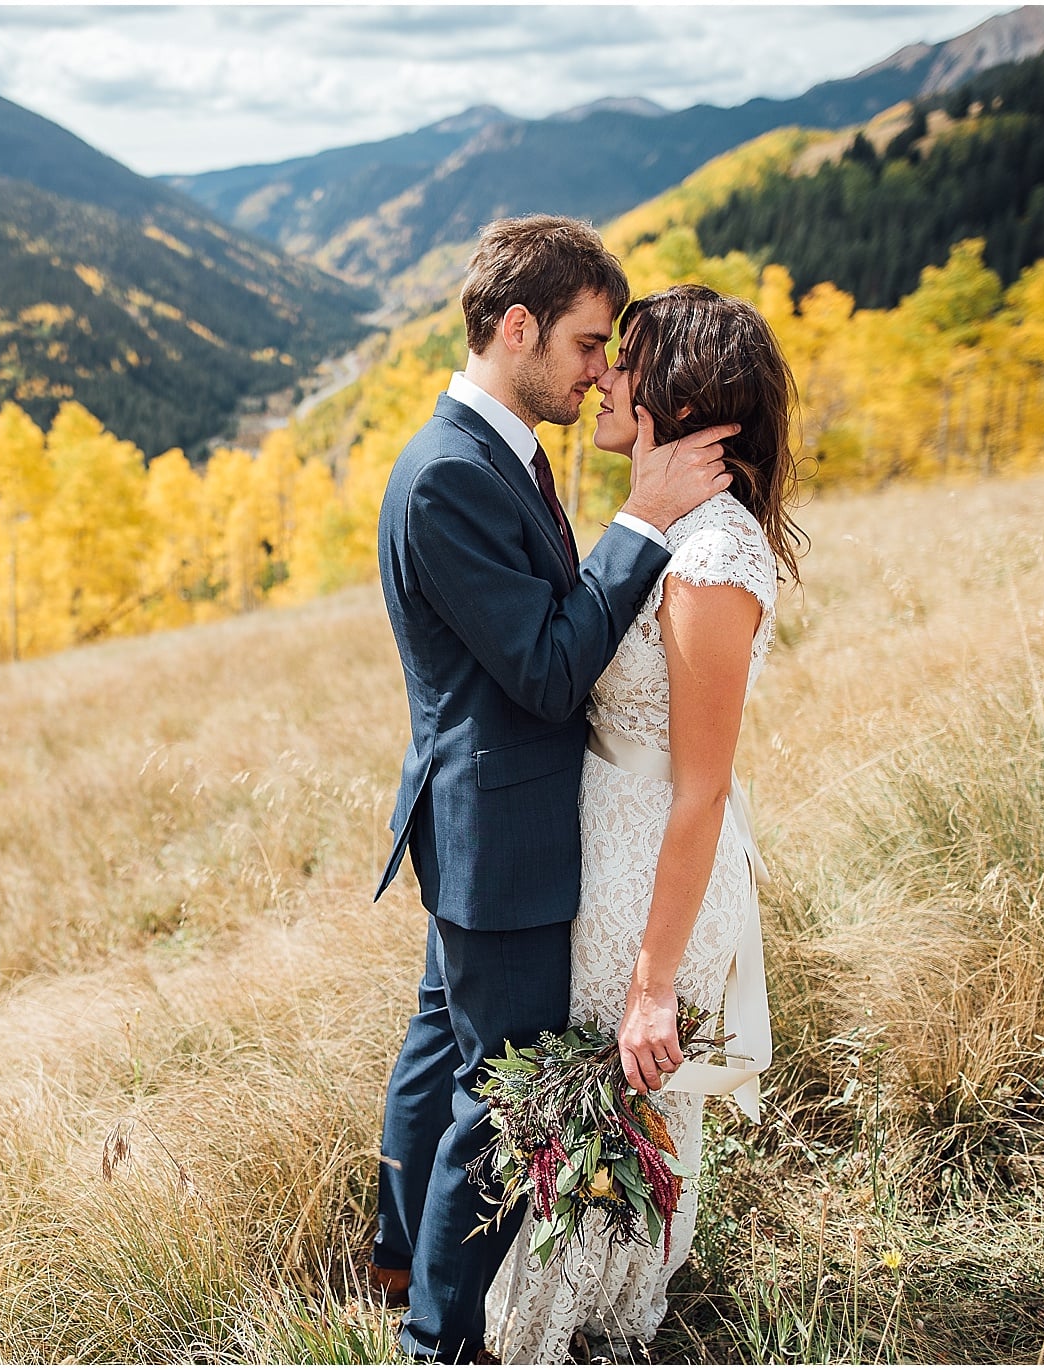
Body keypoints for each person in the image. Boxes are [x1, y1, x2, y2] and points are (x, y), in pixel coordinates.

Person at [370, 217, 736, 1364]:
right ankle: (439, 1338)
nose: (598, 368)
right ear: (515, 327)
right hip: (503, 831)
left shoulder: (500, 452)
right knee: (498, 1096)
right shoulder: (447, 479)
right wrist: (643, 521)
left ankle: (393, 1250)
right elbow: (539, 664)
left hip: (494, 814)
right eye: (584, 343)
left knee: (442, 1040)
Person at [484, 283, 803, 1361]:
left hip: (648, 884)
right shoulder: (669, 529)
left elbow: (700, 786)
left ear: (677, 391)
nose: (603, 378)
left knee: (613, 1128)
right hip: (604, 855)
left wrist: (653, 978)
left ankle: (578, 1338)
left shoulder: (710, 557)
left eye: (627, 361)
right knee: (583, 1130)